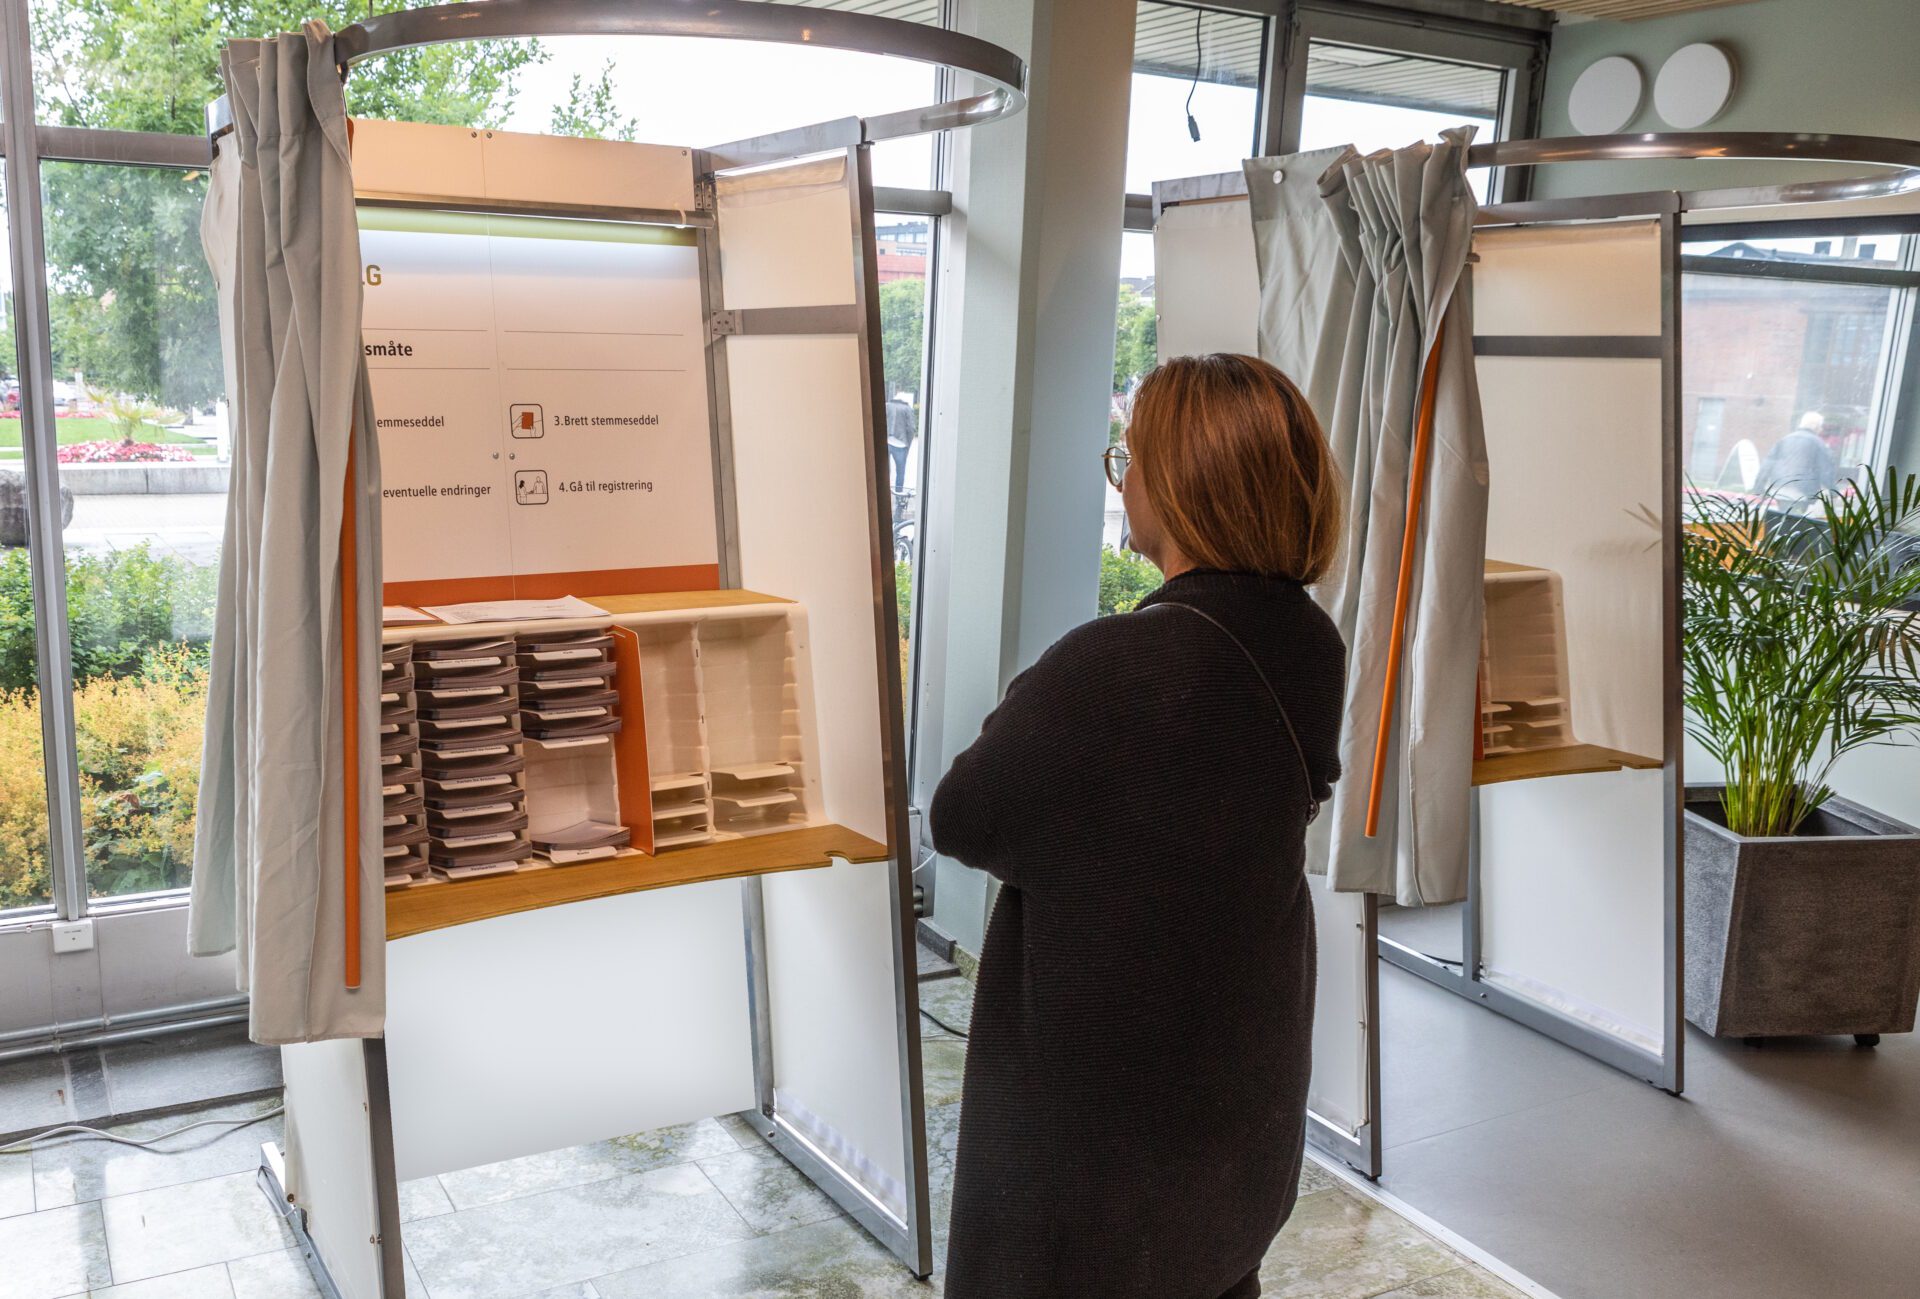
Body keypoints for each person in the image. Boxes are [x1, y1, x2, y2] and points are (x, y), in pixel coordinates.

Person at [932, 353, 1348, 1298]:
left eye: (1133, 459)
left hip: (1104, 1142)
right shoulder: (1308, 645)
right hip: (1235, 1095)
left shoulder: (1113, 666)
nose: (1122, 481)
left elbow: (963, 812)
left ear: (1191, 485)